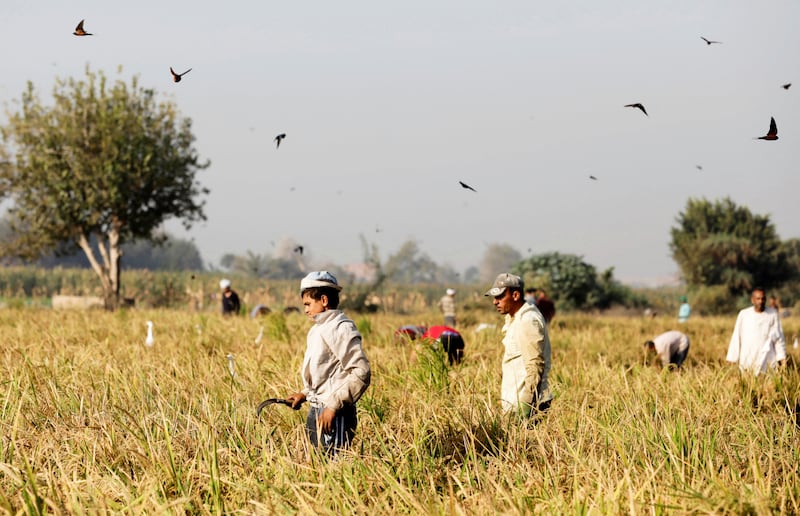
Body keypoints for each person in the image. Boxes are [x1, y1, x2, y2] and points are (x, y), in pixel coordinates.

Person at [285, 271, 371, 456]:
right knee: (319, 467)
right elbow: (327, 373)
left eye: (308, 304)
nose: (306, 309)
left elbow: (361, 372)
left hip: (334, 414)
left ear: (323, 300)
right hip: (317, 409)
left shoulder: (341, 328)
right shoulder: (317, 329)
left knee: (334, 468)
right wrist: (305, 393)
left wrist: (333, 406)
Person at [485, 273, 552, 418]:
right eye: (494, 297)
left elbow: (535, 365)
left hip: (527, 404)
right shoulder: (514, 318)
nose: (495, 302)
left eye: (500, 297)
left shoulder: (527, 320)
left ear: (515, 295)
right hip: (516, 402)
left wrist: (526, 406)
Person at [726, 287, 786, 375]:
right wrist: (732, 359)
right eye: (758, 299)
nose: (760, 301)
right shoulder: (744, 314)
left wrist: (782, 358)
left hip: (767, 359)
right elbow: (736, 337)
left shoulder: (773, 314)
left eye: (763, 299)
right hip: (747, 359)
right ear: (752, 300)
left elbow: (779, 338)